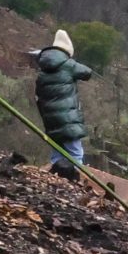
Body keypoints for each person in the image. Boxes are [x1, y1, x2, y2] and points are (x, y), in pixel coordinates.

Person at [30, 29, 92, 177]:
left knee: (57, 153)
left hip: (50, 120)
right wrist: (72, 62)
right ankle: (76, 182)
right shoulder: (68, 65)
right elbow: (87, 73)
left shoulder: (43, 70)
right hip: (68, 119)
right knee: (76, 154)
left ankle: (55, 180)